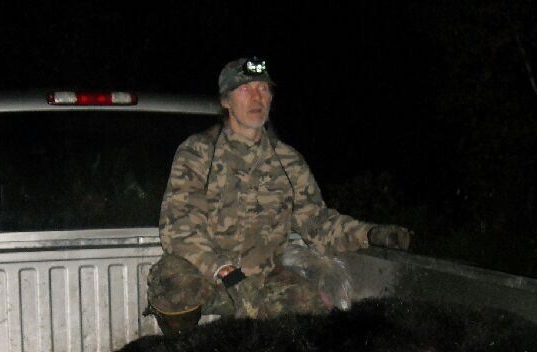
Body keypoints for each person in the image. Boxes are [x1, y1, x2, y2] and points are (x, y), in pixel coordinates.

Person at [147, 57, 412, 334]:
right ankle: (184, 351)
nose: (257, 97)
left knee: (314, 319)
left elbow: (318, 222)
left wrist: (369, 234)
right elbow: (178, 227)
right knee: (171, 282)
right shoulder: (198, 152)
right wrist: (225, 271)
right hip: (212, 279)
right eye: (245, 89)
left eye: (263, 89)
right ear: (226, 101)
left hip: (263, 282)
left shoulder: (288, 161)